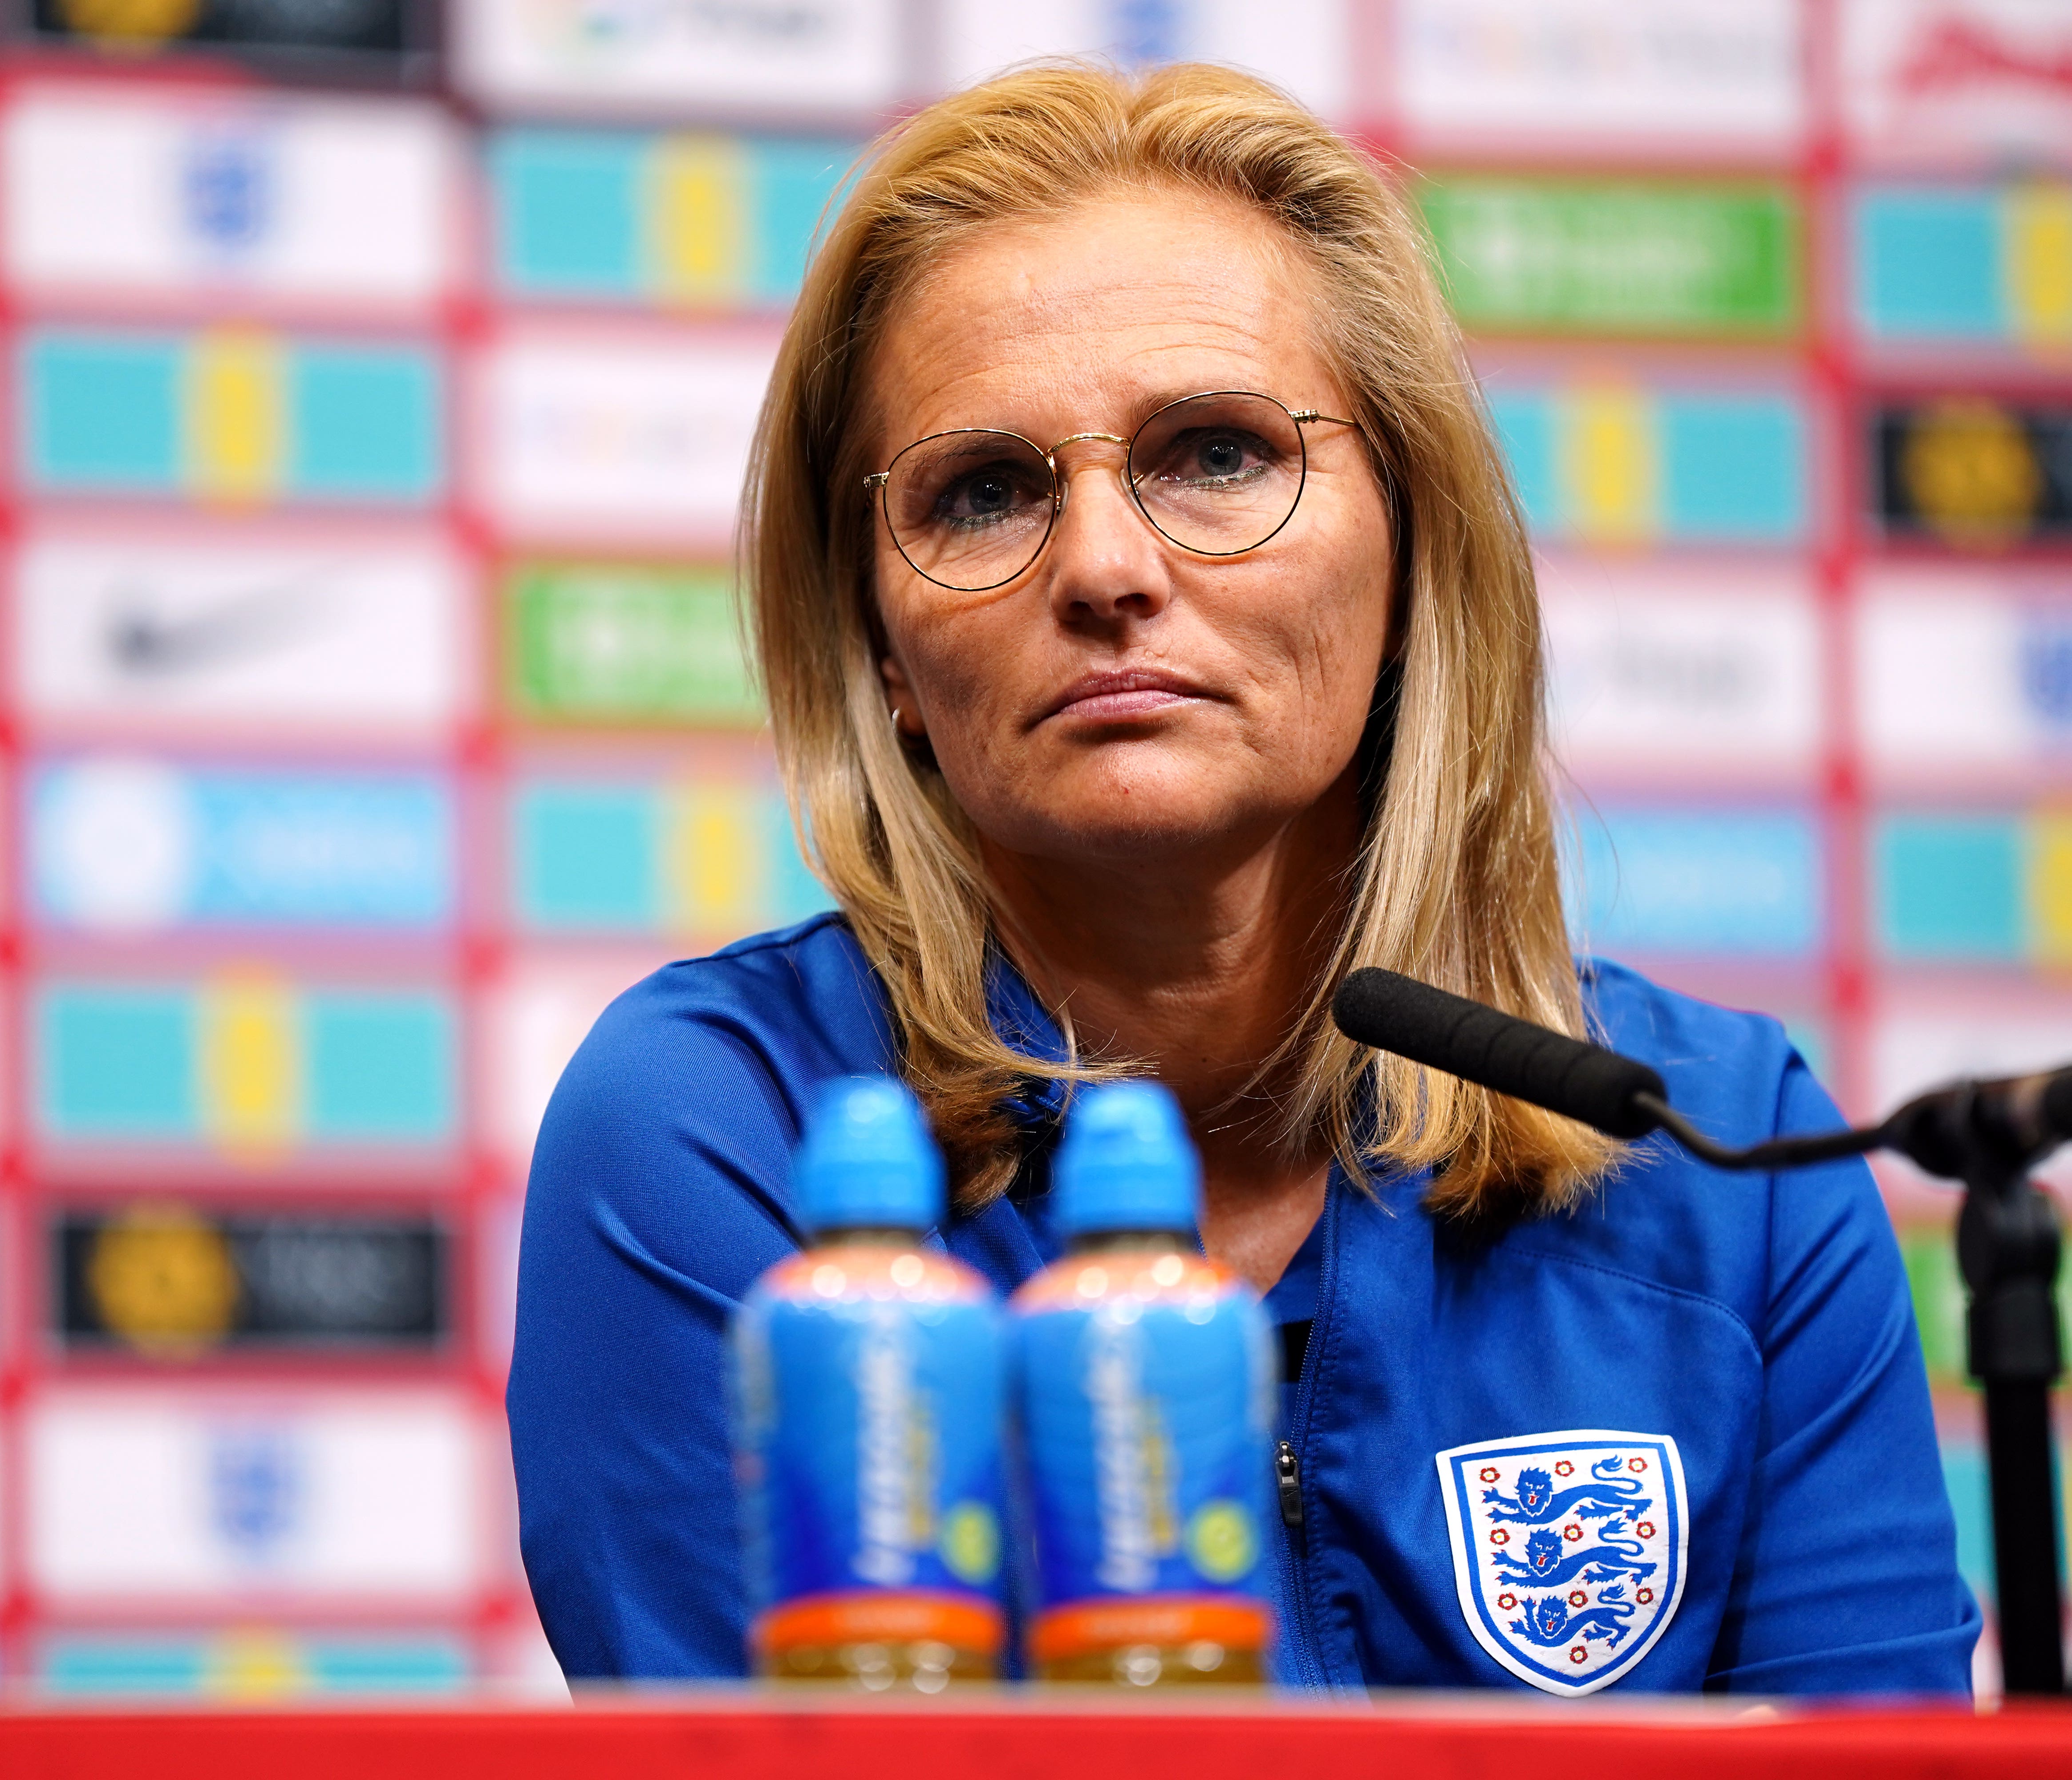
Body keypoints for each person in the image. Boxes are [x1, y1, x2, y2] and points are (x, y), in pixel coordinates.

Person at [508, 61, 1980, 1695]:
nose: (1106, 570)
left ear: (1415, 547)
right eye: (982, 493)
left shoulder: (1726, 1157)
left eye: (1212, 453)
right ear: (882, 650)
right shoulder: (726, 1134)